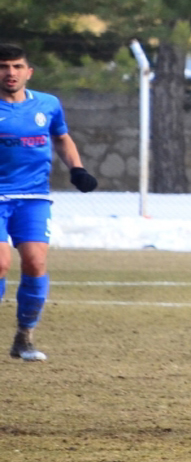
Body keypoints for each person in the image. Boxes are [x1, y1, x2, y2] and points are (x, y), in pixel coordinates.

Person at [0, 43, 97, 363]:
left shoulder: (48, 104)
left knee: (35, 264)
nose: (10, 73)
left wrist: (77, 169)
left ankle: (24, 337)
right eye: (3, 66)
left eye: (16, 67)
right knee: (0, 263)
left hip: (34, 197)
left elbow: (61, 137)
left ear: (29, 71)